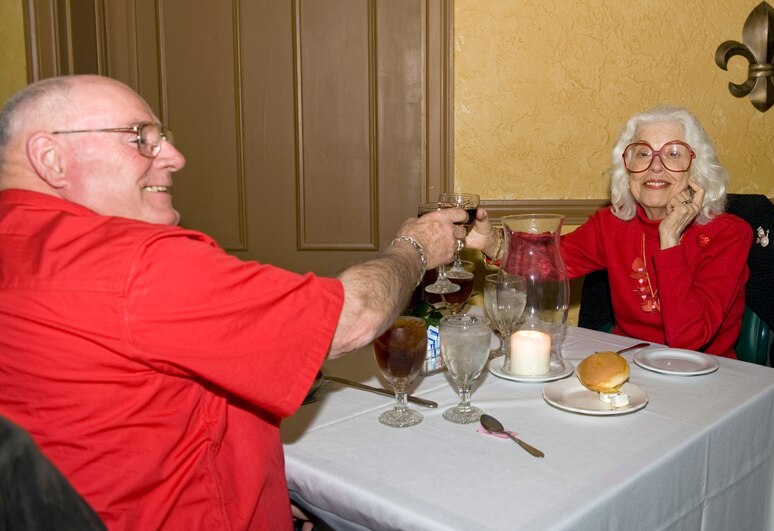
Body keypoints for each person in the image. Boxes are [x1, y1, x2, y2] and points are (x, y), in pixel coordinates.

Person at [0, 75, 466, 530]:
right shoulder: (137, 265)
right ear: (50, 157)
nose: (176, 158)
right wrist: (416, 248)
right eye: (140, 138)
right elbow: (352, 319)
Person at [470, 106, 752, 357]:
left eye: (673, 153)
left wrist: (669, 239)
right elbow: (549, 260)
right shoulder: (612, 225)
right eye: (642, 153)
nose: (655, 166)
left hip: (705, 377)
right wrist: (492, 242)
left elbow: (688, 340)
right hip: (628, 365)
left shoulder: (728, 234)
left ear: (696, 168)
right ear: (628, 169)